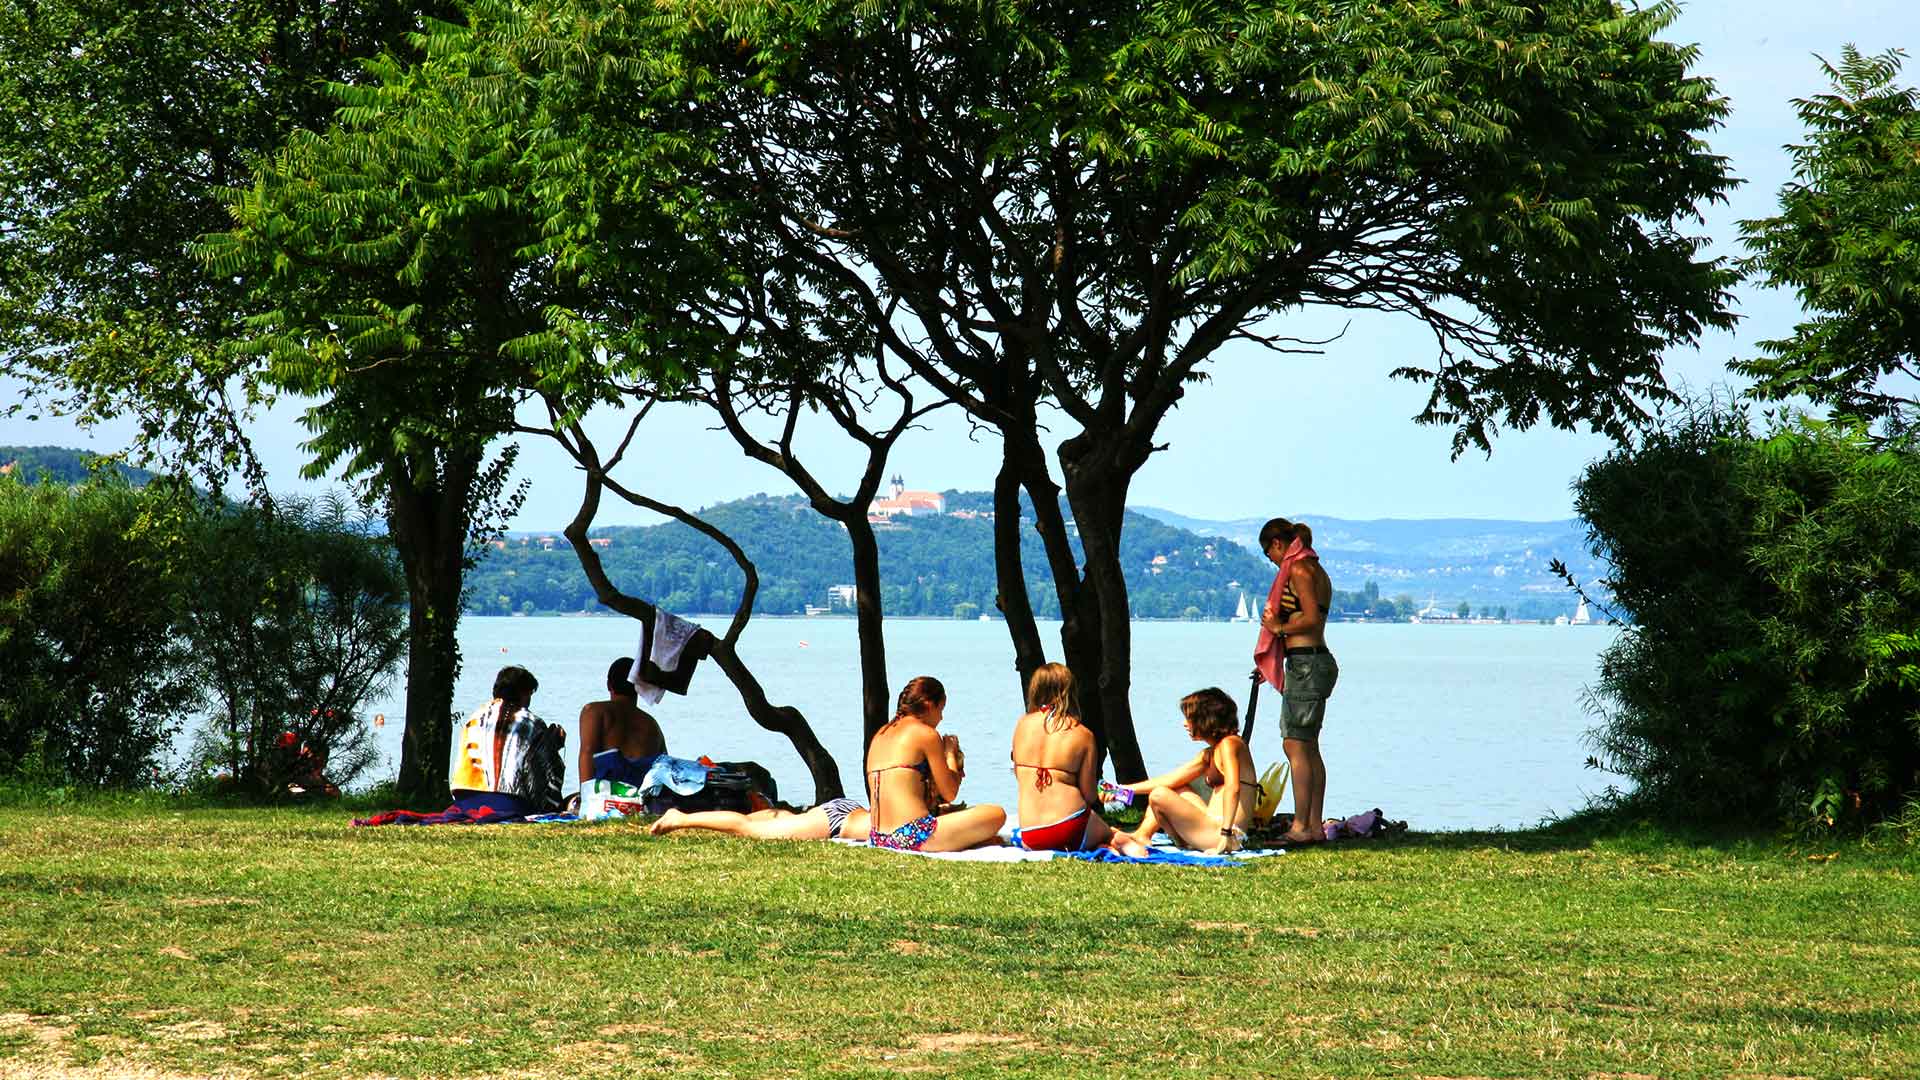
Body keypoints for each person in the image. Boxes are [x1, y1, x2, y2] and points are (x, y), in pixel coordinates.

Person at [1257, 516, 1338, 845]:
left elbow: (1311, 618)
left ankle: (1304, 825)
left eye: (1269, 554)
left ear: (1277, 544)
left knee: (1296, 745)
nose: (1273, 562)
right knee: (1306, 746)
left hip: (1307, 663)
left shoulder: (1302, 570)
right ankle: (1312, 824)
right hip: (1306, 662)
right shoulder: (1313, 568)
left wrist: (1278, 628)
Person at [1110, 688, 1259, 856]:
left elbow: (1233, 789)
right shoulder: (1209, 754)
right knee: (1175, 788)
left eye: (1189, 719)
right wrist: (1121, 790)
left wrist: (1225, 835)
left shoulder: (1230, 744)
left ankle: (1181, 843)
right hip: (1210, 827)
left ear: (1205, 720)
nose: (1184, 724)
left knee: (1159, 795)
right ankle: (1143, 835)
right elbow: (1170, 780)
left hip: (1227, 835)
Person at [864, 676, 1006, 851]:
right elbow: (950, 792)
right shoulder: (926, 734)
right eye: (941, 710)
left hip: (878, 837)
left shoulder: (881, 734)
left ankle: (968, 841)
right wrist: (950, 753)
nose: (941, 718)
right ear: (930, 706)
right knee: (996, 813)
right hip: (912, 835)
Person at [1009, 663, 1114, 851]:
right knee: (1114, 835)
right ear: (1070, 691)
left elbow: (1020, 777)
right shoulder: (1082, 734)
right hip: (1071, 827)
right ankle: (1130, 849)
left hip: (1031, 833)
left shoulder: (1022, 726)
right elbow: (1089, 795)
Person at [450, 665, 566, 816]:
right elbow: (544, 771)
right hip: (508, 803)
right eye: (529, 695)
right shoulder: (532, 722)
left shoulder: (474, 718)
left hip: (464, 801)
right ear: (523, 693)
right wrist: (552, 745)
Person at [578, 657, 669, 788]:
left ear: (609, 685)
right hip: (642, 800)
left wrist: (586, 799)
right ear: (639, 687)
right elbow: (664, 768)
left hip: (604, 799)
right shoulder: (652, 725)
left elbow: (587, 754)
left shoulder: (594, 711)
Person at [648, 799, 870, 841]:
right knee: (750, 829)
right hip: (837, 821)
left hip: (847, 813)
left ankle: (776, 815)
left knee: (781, 819)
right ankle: (680, 819)